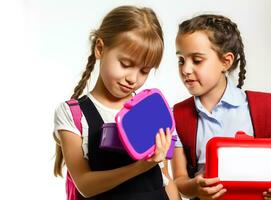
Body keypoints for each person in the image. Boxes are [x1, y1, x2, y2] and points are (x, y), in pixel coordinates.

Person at [53, 5, 181, 199]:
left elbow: (165, 179)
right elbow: (85, 185)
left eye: (144, 71)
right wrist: (142, 165)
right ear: (100, 48)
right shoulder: (73, 114)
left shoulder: (151, 109)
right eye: (126, 64)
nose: (133, 78)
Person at [171, 14, 271, 200]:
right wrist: (195, 187)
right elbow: (180, 181)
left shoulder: (261, 108)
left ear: (226, 62)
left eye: (196, 60)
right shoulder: (178, 116)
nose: (185, 69)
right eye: (181, 60)